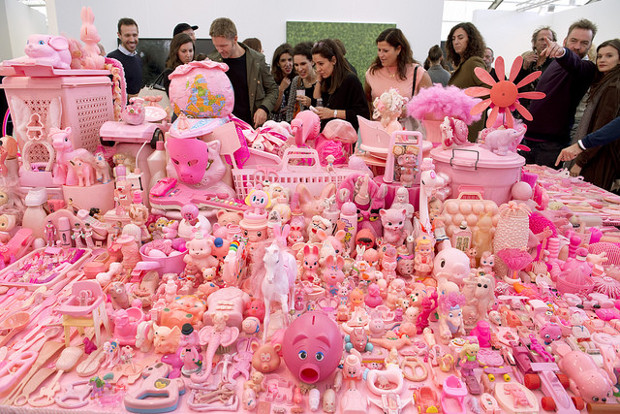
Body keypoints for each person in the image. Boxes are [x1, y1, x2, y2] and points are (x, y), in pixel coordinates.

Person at [522, 19, 598, 168]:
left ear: (590, 46)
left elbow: (573, 63)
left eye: (584, 43)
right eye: (574, 40)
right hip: (528, 138)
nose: (577, 46)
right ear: (565, 40)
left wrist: (563, 52)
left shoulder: (587, 68)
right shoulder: (554, 62)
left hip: (551, 145)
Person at [562, 40, 620, 191]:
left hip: (599, 157)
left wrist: (581, 161)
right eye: (600, 56)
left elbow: (603, 126)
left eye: (609, 56)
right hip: (597, 154)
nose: (602, 60)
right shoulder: (605, 81)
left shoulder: (614, 86)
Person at [208, 18, 278, 128]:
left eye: (223, 46)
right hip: (223, 126)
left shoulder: (256, 60)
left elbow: (272, 89)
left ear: (235, 39)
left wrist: (264, 108)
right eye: (216, 46)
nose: (220, 50)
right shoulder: (212, 61)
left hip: (251, 126)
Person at [365, 28, 432, 129]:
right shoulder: (372, 73)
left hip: (407, 135)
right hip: (379, 134)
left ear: (398, 49)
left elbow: (430, 107)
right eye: (379, 50)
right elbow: (367, 101)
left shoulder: (417, 73)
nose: (381, 55)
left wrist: (409, 110)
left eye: (385, 51)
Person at [312, 39, 369, 131]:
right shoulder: (327, 78)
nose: (318, 69)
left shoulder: (350, 80)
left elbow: (362, 114)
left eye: (321, 64)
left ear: (333, 60)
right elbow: (317, 98)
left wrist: (333, 113)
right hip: (326, 134)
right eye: (315, 64)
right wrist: (319, 80)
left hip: (344, 137)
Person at [446, 22, 487, 141]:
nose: (456, 42)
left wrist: (465, 101)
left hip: (469, 127)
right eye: (453, 39)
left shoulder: (473, 63)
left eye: (460, 37)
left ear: (471, 40)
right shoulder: (464, 65)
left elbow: (488, 92)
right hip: (459, 126)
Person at [107, 18, 142, 97]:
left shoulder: (138, 59)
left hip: (137, 108)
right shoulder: (112, 59)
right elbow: (108, 91)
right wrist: (130, 97)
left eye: (134, 35)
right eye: (127, 35)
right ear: (119, 35)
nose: (132, 39)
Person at [285, 42, 318, 120]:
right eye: (296, 65)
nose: (299, 69)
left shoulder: (322, 80)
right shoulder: (297, 81)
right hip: (301, 127)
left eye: (303, 64)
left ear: (312, 62)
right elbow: (290, 108)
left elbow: (327, 109)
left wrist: (311, 104)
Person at [270, 43, 295, 122]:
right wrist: (281, 89)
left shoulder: (298, 79)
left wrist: (291, 107)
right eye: (283, 60)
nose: (287, 64)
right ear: (278, 63)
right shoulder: (272, 80)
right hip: (277, 124)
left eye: (290, 60)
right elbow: (274, 109)